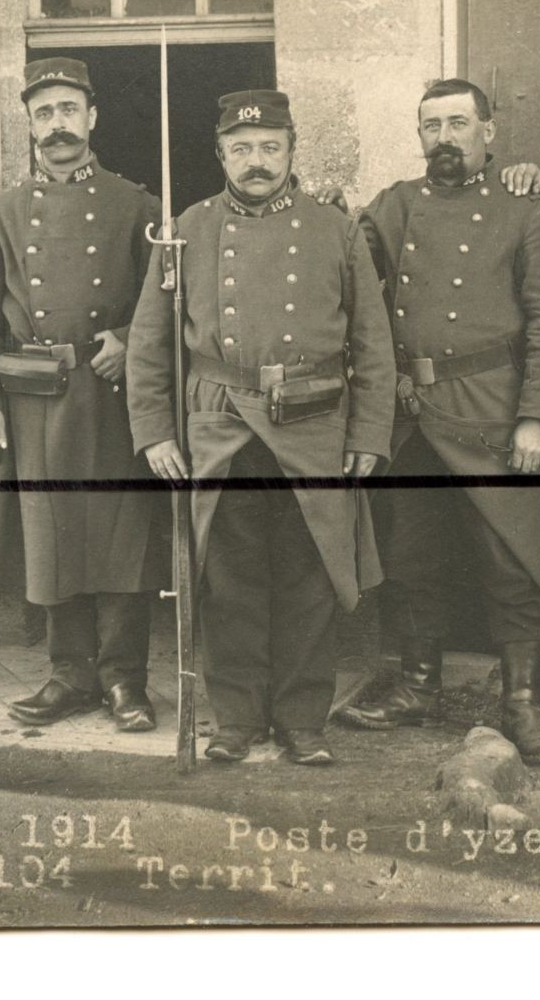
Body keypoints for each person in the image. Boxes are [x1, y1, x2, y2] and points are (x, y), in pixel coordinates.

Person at [127, 90, 395, 765]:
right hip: (220, 426)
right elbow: (149, 341)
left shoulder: (336, 229)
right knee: (230, 579)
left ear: (291, 151)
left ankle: (302, 721)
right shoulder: (186, 226)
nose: (256, 162)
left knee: (309, 579)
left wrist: (367, 435)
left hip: (311, 423)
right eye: (241, 149)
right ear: (220, 154)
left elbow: (372, 340)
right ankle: (237, 718)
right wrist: (156, 430)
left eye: (269, 148)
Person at [335, 79, 540, 766]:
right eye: (431, 126)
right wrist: (323, 208)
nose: (444, 138)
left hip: (492, 411)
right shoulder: (396, 205)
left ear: (489, 133)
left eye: (458, 124)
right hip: (412, 413)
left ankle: (523, 703)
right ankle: (417, 685)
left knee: (513, 557)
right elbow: (350, 261)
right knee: (411, 554)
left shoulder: (524, 215)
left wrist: (536, 417)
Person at [0, 58, 166, 731]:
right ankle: (68, 674)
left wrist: (127, 338)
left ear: (92, 117)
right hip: (34, 400)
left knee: (119, 538)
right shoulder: (3, 213)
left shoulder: (135, 205)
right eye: (44, 114)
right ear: (29, 126)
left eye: (68, 110)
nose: (57, 125)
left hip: (111, 398)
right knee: (50, 538)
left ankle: (124, 681)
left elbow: (167, 301)